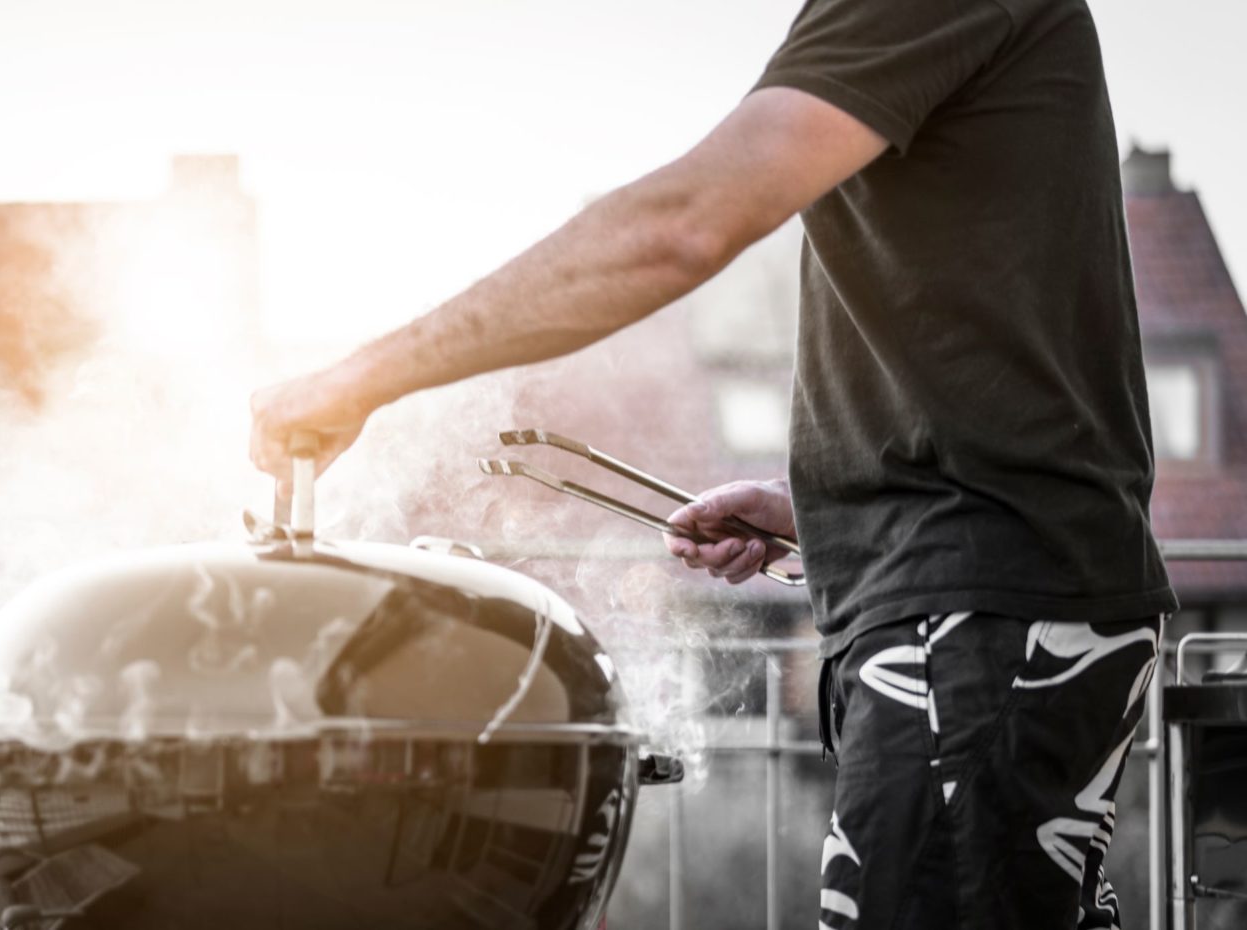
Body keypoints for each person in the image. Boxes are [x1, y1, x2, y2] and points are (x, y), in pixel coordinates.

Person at [248, 0, 1178, 927]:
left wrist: (359, 378)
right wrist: (818, 500)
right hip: (992, 609)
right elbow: (993, 330)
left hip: (987, 618)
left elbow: (683, 225)